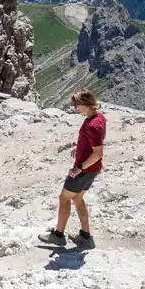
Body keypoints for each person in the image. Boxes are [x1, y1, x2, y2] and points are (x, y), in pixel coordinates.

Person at [42, 91, 105, 249]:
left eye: (77, 104)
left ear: (86, 104)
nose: (75, 107)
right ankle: (85, 237)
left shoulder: (93, 126)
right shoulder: (98, 117)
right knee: (77, 199)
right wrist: (81, 146)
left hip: (85, 169)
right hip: (92, 170)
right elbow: (94, 144)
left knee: (64, 198)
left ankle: (58, 236)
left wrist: (79, 168)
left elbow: (98, 153)